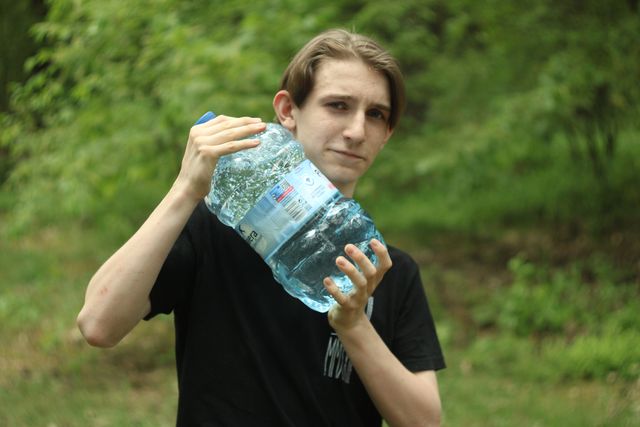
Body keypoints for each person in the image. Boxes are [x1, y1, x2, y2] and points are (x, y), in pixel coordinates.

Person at [77, 29, 445, 426]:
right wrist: (185, 189)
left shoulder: (387, 269)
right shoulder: (215, 231)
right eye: (338, 105)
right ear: (287, 111)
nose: (357, 131)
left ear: (387, 134)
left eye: (376, 114)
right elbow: (98, 324)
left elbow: (423, 421)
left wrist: (354, 324)